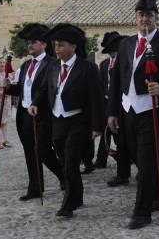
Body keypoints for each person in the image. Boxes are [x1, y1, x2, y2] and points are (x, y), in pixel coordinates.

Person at [106, 0, 159, 230]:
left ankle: (142, 212)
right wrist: (112, 112)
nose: (144, 19)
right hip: (128, 109)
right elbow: (116, 79)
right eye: (140, 15)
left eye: (149, 15)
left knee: (148, 159)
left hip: (151, 111)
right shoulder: (126, 43)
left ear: (156, 18)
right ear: (136, 17)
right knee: (136, 156)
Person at [29, 24, 104, 218]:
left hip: (78, 120)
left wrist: (97, 126)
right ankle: (77, 196)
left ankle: (68, 204)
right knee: (65, 162)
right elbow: (45, 88)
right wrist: (35, 103)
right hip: (58, 121)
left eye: (61, 45)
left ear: (73, 46)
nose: (57, 48)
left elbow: (96, 98)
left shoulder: (87, 67)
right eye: (56, 45)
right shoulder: (53, 66)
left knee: (71, 163)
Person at [5, 23, 64, 201]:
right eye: (28, 42)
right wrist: (8, 88)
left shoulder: (53, 64)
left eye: (34, 42)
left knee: (43, 150)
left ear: (44, 44)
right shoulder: (25, 66)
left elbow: (52, 90)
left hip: (43, 115)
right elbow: (22, 89)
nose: (30, 45)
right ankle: (35, 187)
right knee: (30, 151)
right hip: (24, 115)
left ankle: (64, 175)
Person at [97, 31, 134, 187]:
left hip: (126, 107)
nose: (112, 54)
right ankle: (122, 174)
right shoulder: (104, 65)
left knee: (128, 143)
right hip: (110, 106)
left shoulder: (128, 63)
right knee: (116, 141)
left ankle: (145, 172)